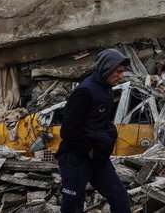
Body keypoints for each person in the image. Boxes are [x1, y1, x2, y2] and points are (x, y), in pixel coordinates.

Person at [56, 48, 131, 213]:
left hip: (97, 157)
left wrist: (106, 140)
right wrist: (89, 150)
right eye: (118, 72)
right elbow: (68, 131)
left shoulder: (107, 91)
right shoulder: (85, 91)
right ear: (107, 68)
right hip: (75, 157)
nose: (121, 76)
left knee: (120, 198)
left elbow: (100, 123)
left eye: (122, 72)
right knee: (73, 205)